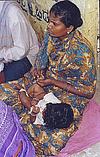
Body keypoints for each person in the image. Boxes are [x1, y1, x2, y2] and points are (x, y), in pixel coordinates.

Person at [0, 0, 96, 156]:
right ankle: (21, 118)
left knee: (51, 139)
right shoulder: (50, 34)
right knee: (4, 92)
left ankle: (20, 126)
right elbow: (42, 57)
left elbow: (89, 92)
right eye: (49, 21)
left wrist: (53, 82)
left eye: (54, 23)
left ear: (69, 28)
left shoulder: (82, 52)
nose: (49, 26)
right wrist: (39, 71)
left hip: (70, 93)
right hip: (46, 81)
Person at [0, 1, 39, 83]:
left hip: (25, 57)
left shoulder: (14, 14)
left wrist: (1, 54)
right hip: (6, 55)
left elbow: (21, 51)